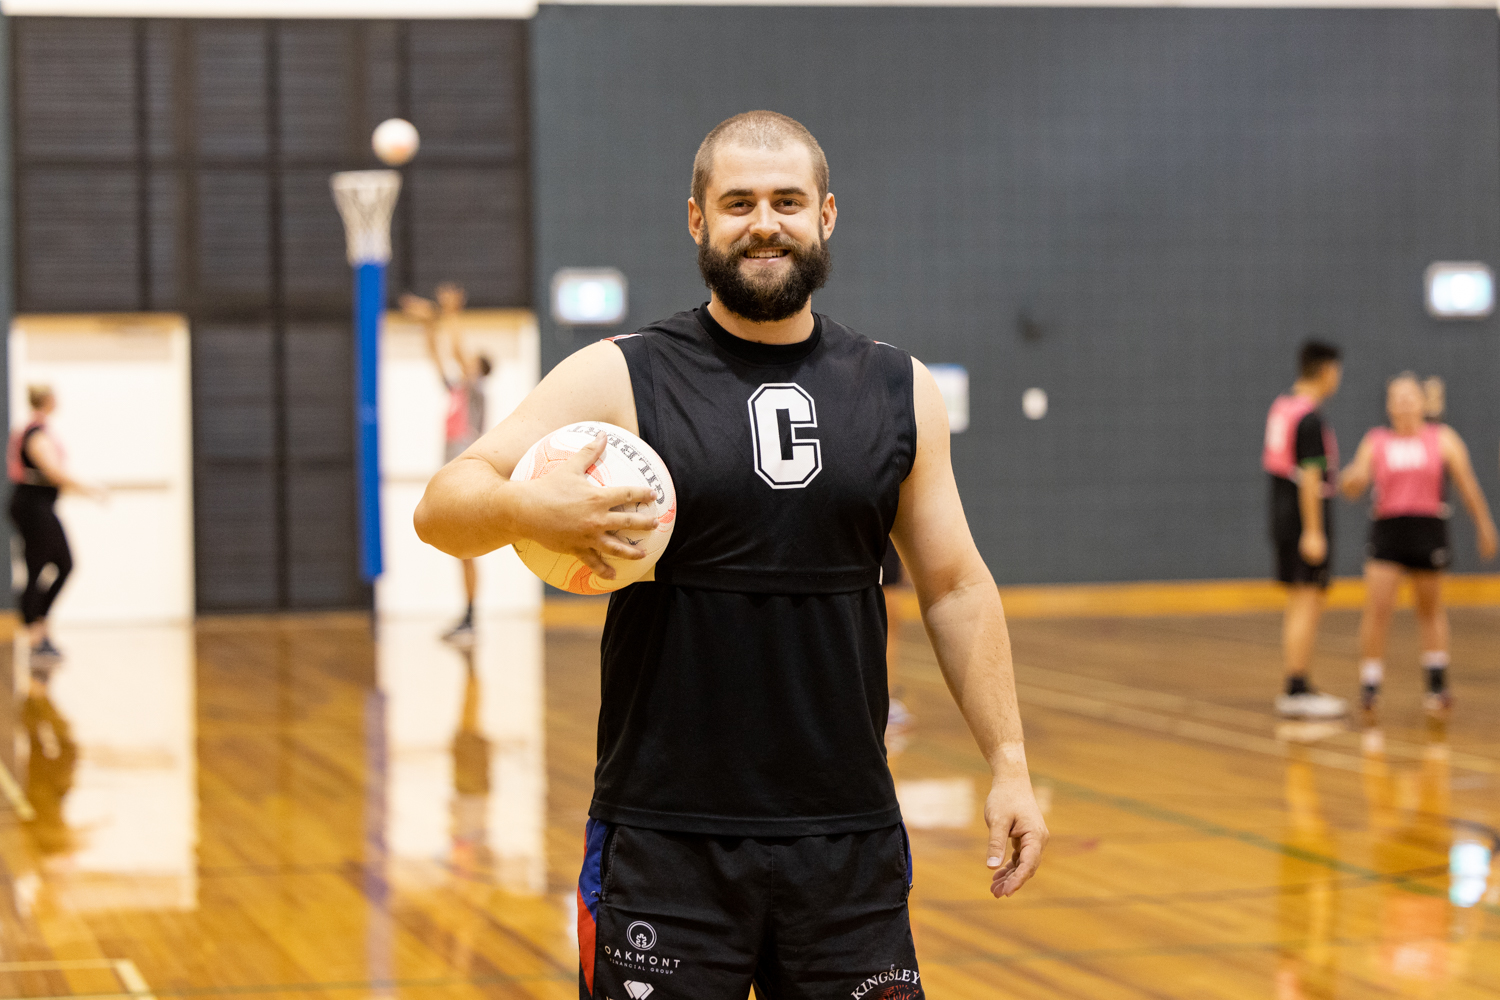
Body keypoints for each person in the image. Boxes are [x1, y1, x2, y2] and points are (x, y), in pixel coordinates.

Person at [415, 110, 1047, 1000]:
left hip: (848, 842)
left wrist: (1010, 763)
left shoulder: (896, 389)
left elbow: (954, 587)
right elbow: (441, 508)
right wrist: (525, 502)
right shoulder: (621, 375)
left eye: (788, 201)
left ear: (826, 216)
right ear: (697, 220)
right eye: (738, 201)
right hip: (664, 845)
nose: (764, 223)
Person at [1338, 373, 1497, 713]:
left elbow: (1467, 486)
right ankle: (1370, 683)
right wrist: (1350, 479)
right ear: (1388, 405)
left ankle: (1437, 683)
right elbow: (1356, 483)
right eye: (1397, 397)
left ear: (1423, 403)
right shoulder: (1376, 440)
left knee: (1430, 608)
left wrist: (1484, 525)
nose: (1405, 403)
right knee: (1378, 607)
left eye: (1411, 396)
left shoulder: (1443, 439)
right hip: (1388, 529)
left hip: (1428, 528)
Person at [400, 283, 492, 644]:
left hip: (469, 476)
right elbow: (437, 356)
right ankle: (468, 616)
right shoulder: (457, 391)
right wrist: (427, 324)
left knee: (467, 551)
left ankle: (471, 617)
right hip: (453, 477)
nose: (464, 364)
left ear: (479, 371)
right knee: (461, 553)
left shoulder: (476, 390)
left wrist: (451, 312)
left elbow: (455, 350)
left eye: (470, 363)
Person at [1263, 341, 1347, 719]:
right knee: (1308, 602)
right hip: (1303, 518)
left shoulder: (1282, 409)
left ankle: (1296, 683)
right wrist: (1314, 530)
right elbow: (1311, 475)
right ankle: (1297, 686)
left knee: (1298, 601)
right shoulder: (1310, 419)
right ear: (1327, 370)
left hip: (1282, 513)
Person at [7, 385, 99, 661]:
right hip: (33, 507)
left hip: (37, 505)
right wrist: (88, 489)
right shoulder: (36, 434)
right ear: (47, 400)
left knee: (56, 565)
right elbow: (52, 471)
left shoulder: (35, 429)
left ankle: (40, 629)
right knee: (46, 565)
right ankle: (36, 636)